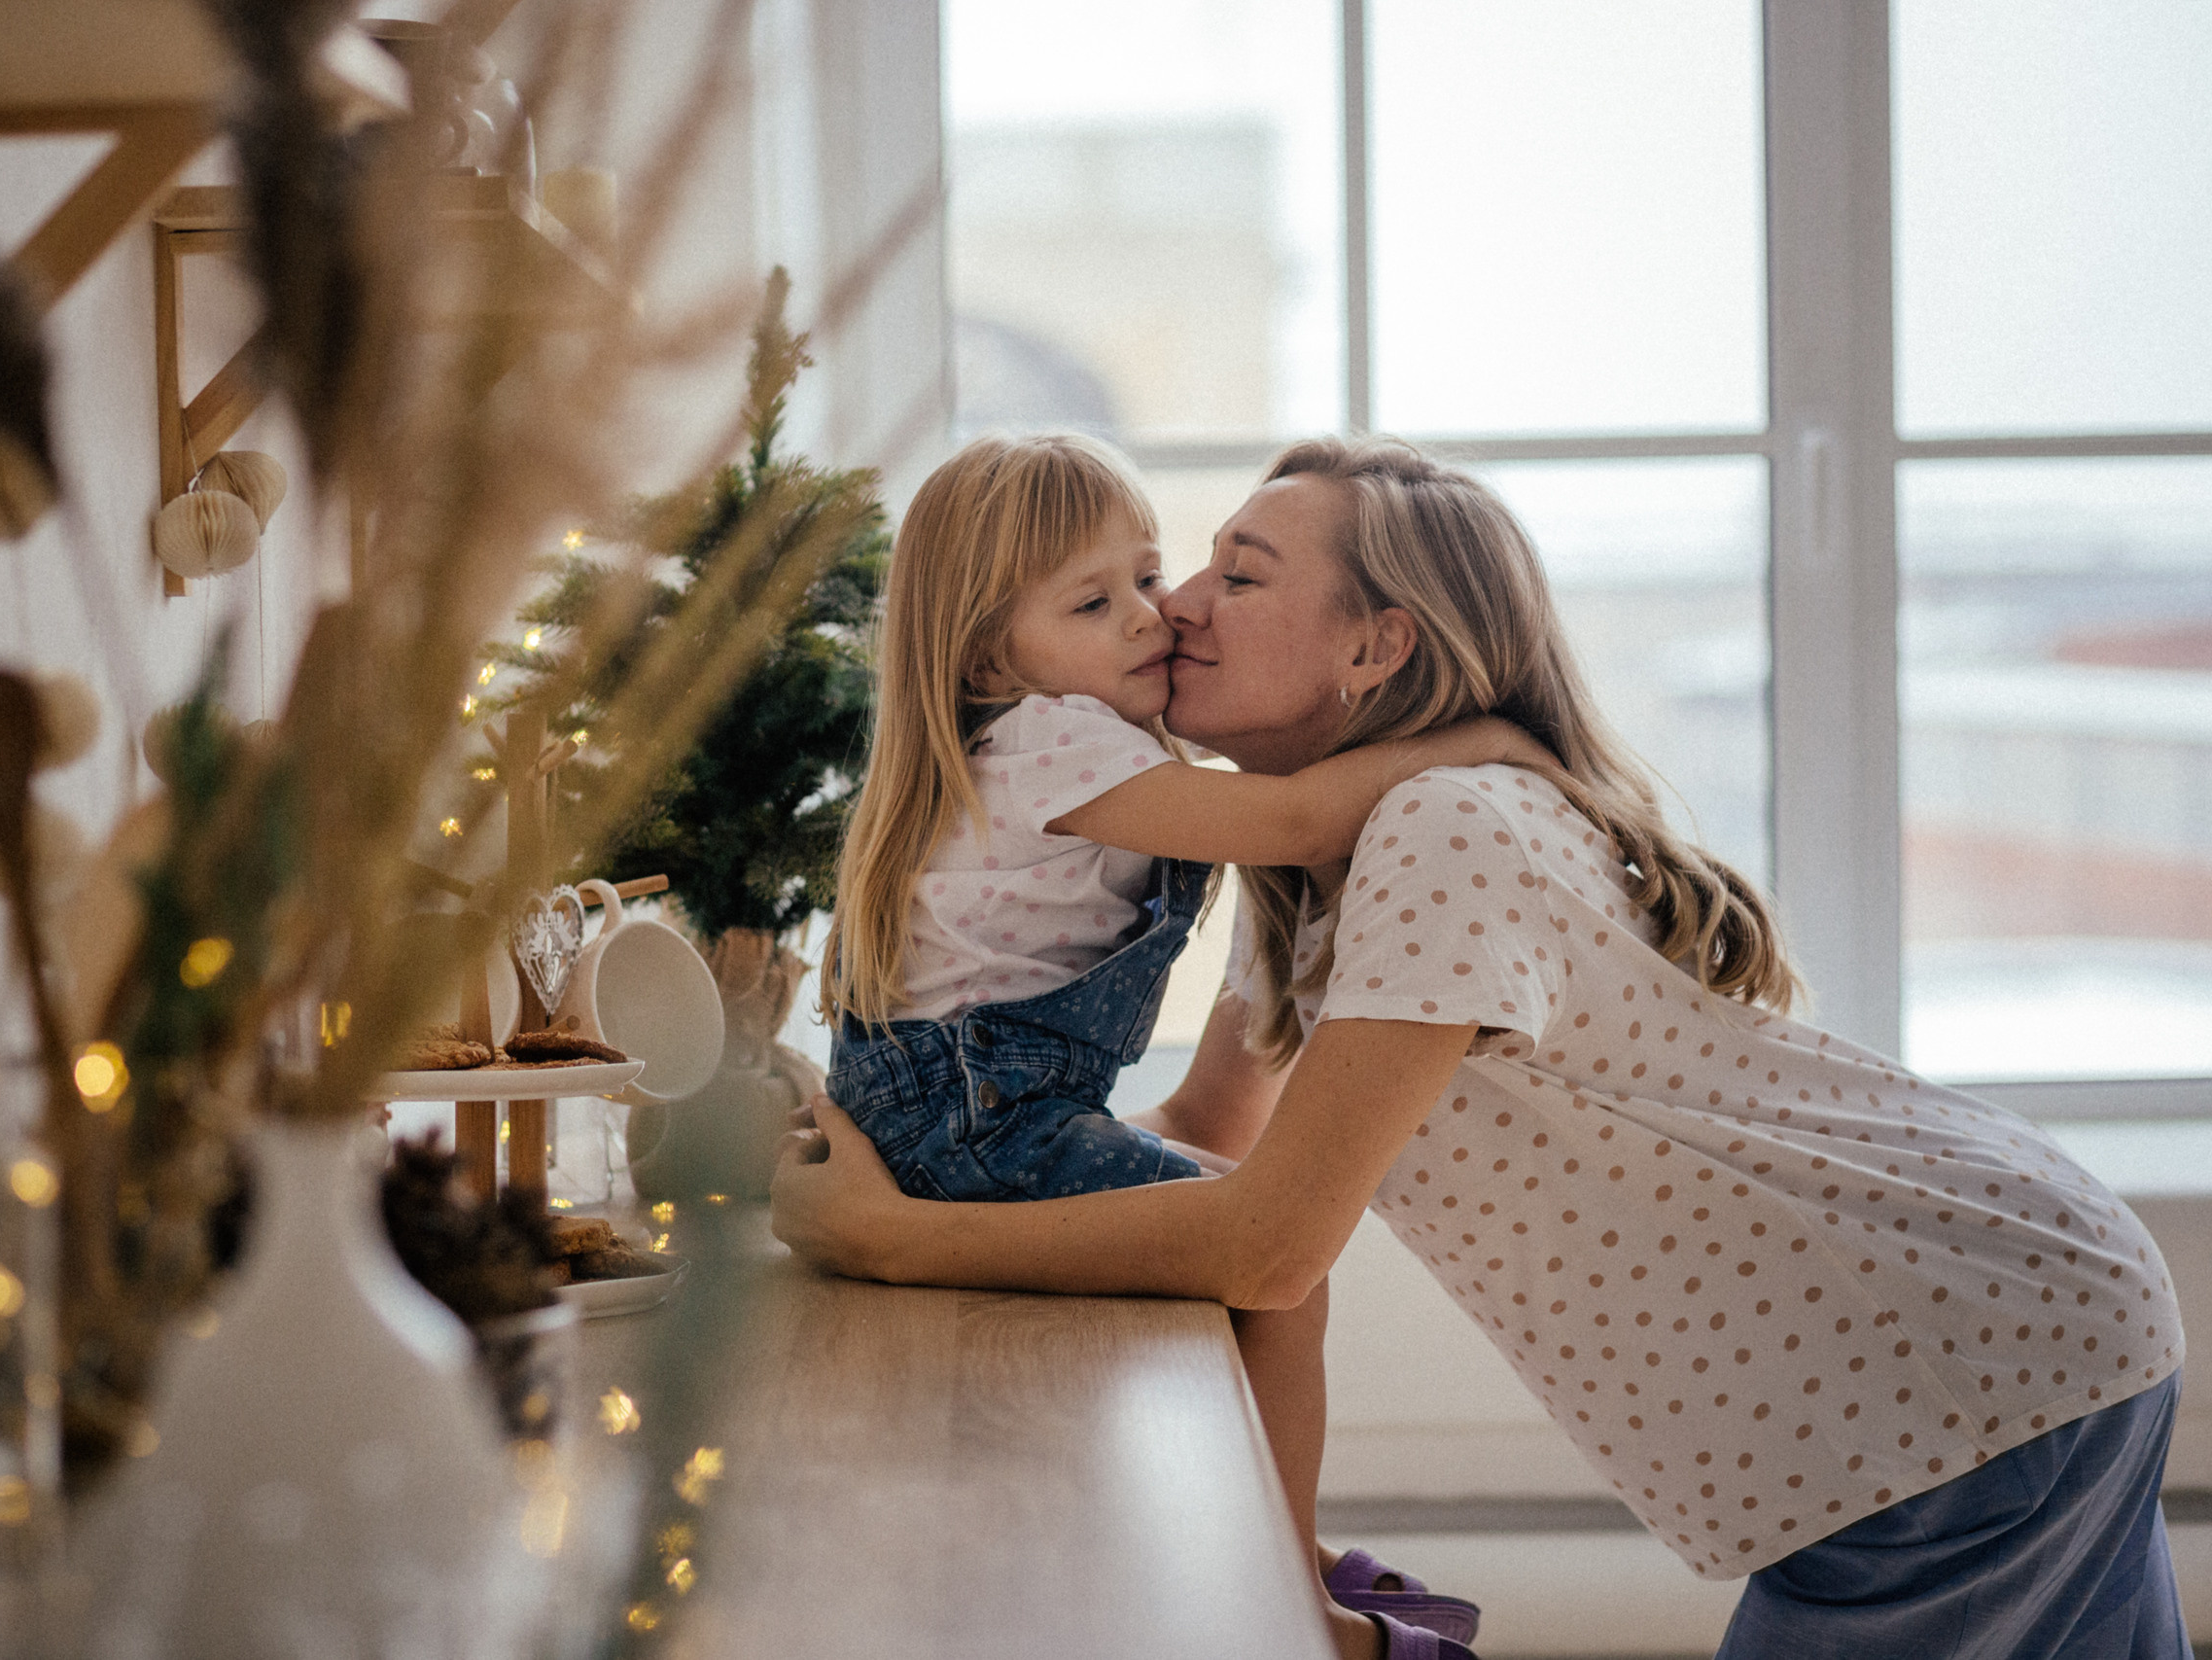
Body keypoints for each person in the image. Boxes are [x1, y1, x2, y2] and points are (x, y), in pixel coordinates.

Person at [777, 436, 2189, 1660]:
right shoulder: (1303, 865)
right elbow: (1218, 1125)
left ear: (1375, 646)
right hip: (2004, 1332)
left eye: (1238, 574)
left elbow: (1268, 1248)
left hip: (1962, 1363)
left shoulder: (1441, 827)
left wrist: (897, 1236)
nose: (1179, 609)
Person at [817, 433, 1544, 1638]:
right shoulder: (1056, 738)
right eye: (1095, 603)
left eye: (1145, 580)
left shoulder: (1057, 746)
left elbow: (1213, 1105)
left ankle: (1275, 1544)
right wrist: (1484, 743)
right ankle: (1290, 1589)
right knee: (1285, 1284)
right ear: (995, 651)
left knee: (1230, 1218)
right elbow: (1299, 817)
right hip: (976, 1116)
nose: (1153, 620)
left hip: (973, 1111)